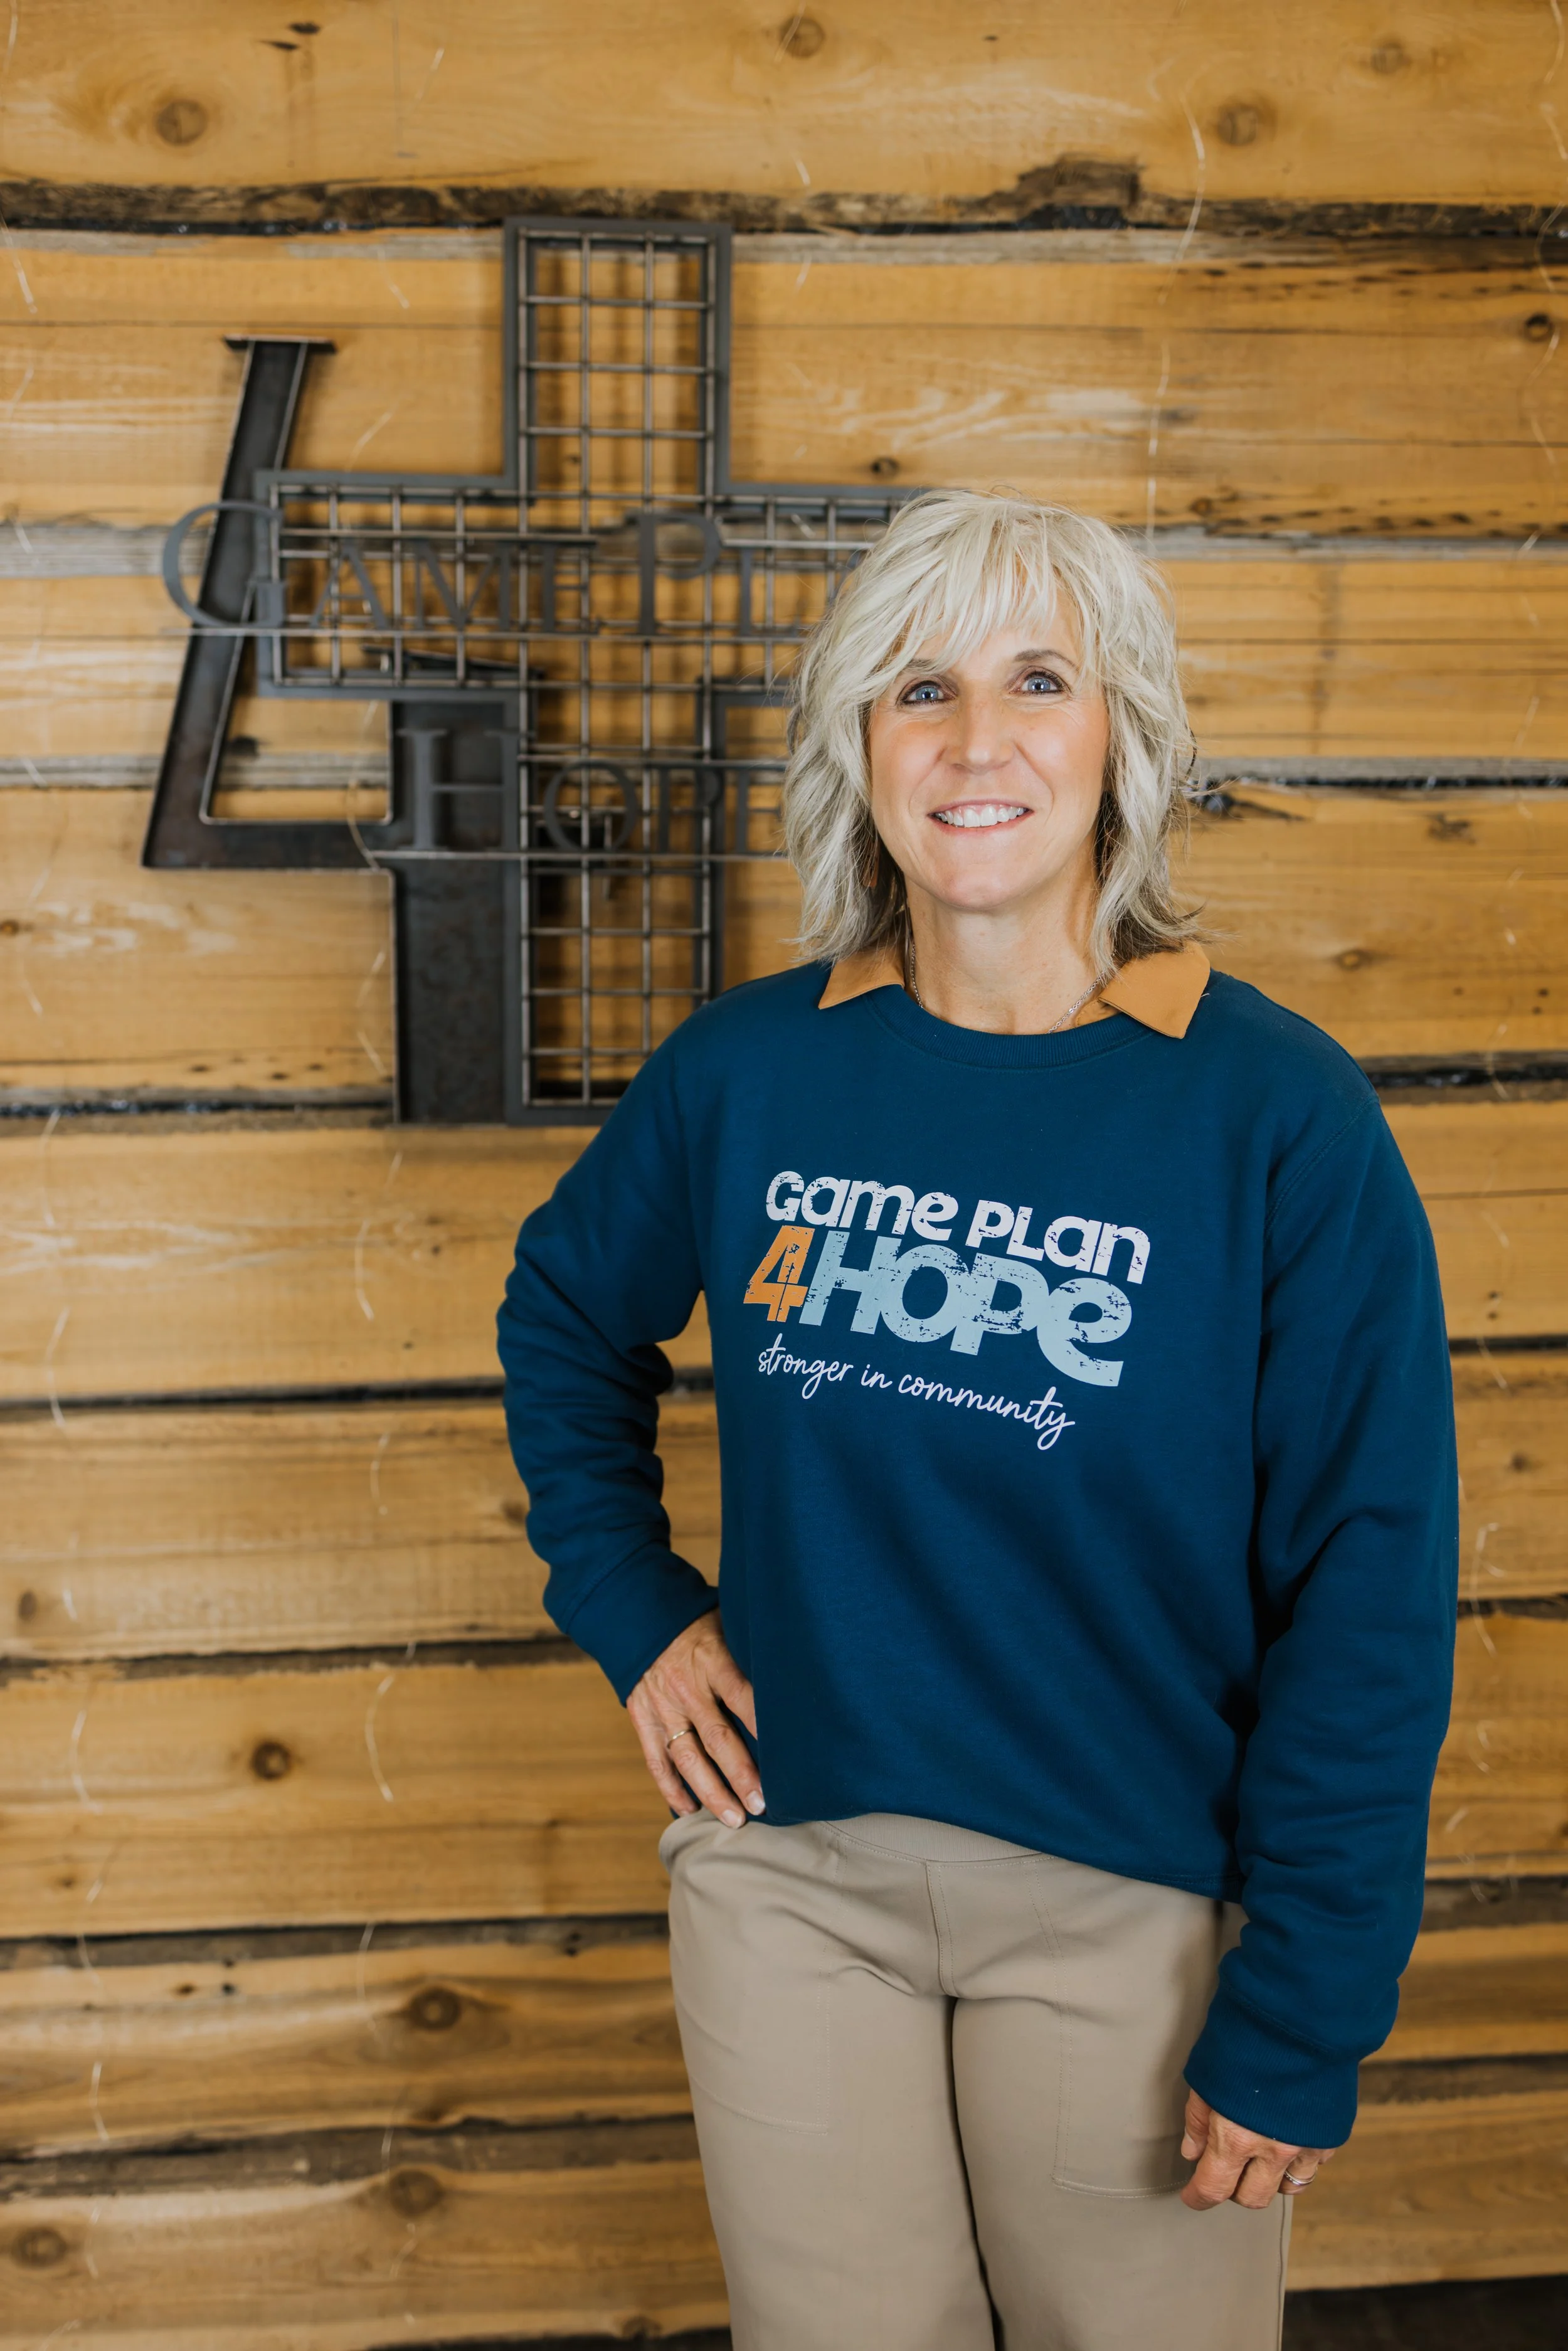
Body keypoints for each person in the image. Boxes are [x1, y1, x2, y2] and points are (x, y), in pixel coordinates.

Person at [497, 489, 1457, 2351]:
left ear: (1123, 739)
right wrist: (633, 1605)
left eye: (1038, 678)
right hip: (792, 1880)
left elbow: (1371, 1576)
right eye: (915, 688)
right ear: (861, 749)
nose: (976, 741)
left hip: (1127, 1906)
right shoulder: (750, 1073)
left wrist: (1310, 2000)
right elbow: (562, 1312)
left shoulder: (1272, 1115)